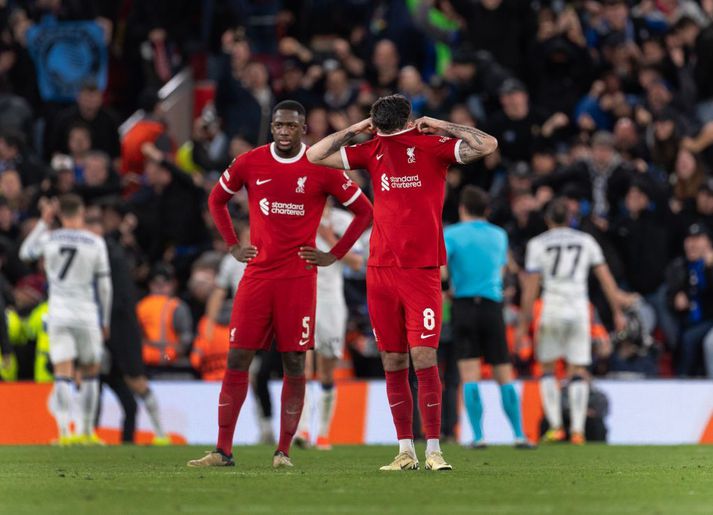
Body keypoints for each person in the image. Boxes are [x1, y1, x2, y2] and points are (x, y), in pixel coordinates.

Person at [307, 94, 498, 471]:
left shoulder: (432, 146)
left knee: (422, 357)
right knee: (394, 360)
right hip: (380, 268)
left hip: (422, 269)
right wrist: (358, 131)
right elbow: (313, 156)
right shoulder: (373, 148)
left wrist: (439, 126)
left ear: (388, 124)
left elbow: (488, 144)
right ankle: (405, 451)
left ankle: (434, 450)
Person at [187, 100, 373, 469]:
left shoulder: (322, 166)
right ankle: (223, 450)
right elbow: (217, 198)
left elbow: (365, 211)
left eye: (291, 126)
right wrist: (232, 245)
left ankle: (283, 451)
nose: (284, 131)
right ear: (272, 127)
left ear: (303, 129)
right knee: (238, 356)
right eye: (278, 125)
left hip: (298, 279)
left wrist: (334, 253)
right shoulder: (250, 161)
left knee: (294, 362)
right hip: (257, 276)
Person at [517, 198, 624, 445]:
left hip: (552, 309)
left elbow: (531, 288)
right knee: (578, 370)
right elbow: (606, 279)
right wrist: (617, 311)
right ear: (570, 219)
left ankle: (556, 427)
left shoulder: (537, 244)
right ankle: (577, 430)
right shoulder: (586, 241)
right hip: (578, 310)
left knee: (547, 369)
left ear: (548, 219)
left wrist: (524, 324)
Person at [444, 186, 535, 450]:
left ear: (462, 208)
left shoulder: (451, 234)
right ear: (487, 210)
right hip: (492, 307)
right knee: (504, 373)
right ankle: (518, 435)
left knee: (470, 375)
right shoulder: (499, 235)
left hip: (463, 306)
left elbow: (440, 272)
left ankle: (479, 436)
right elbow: (505, 268)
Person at [19, 194, 112, 445]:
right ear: (80, 213)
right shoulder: (94, 242)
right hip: (86, 314)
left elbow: (25, 252)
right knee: (91, 373)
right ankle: (87, 432)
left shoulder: (50, 238)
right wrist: (105, 320)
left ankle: (63, 433)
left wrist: (43, 221)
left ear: (60, 214)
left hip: (58, 313)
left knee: (63, 373)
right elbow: (104, 286)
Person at [86, 216, 169, 445]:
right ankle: (90, 435)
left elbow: (118, 295)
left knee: (135, 382)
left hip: (120, 326)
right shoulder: (106, 253)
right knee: (97, 380)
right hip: (104, 324)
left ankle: (161, 434)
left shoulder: (111, 254)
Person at [295, 203, 365, 450]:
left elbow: (357, 263)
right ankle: (301, 429)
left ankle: (323, 433)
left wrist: (328, 237)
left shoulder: (342, 221)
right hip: (301, 295)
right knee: (301, 363)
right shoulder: (298, 212)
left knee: (326, 369)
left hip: (331, 301)